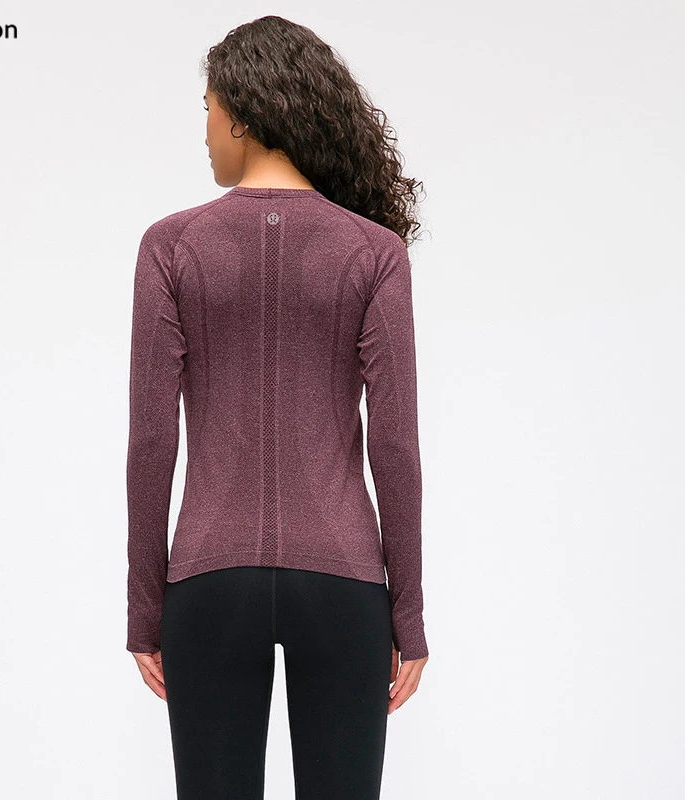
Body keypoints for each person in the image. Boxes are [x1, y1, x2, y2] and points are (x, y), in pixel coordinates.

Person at [126, 15, 429, 800]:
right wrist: (409, 615)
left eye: (207, 110)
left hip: (208, 583)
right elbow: (395, 445)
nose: (203, 132)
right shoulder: (373, 252)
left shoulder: (171, 246)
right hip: (345, 586)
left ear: (244, 111)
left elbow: (152, 440)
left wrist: (144, 610)